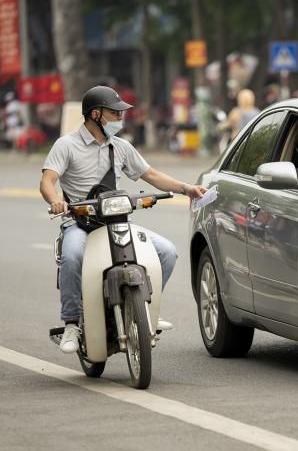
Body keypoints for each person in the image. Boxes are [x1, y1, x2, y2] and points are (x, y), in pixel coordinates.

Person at [40, 86, 207, 354]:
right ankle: (71, 322)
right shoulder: (66, 145)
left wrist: (186, 188)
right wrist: (55, 200)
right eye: (115, 113)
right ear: (95, 114)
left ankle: (145, 309)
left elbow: (150, 175)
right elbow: (47, 181)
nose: (121, 118)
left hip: (114, 221)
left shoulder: (121, 147)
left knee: (166, 252)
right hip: (79, 223)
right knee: (71, 256)